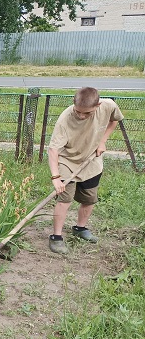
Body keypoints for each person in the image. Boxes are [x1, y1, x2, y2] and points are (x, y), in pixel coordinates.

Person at [47, 86, 123, 255]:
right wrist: (56, 177)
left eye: (86, 113)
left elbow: (114, 120)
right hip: (67, 161)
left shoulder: (108, 105)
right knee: (64, 200)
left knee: (89, 199)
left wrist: (103, 141)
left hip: (91, 161)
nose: (81, 116)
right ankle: (56, 237)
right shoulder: (65, 119)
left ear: (97, 106)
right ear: (74, 104)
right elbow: (53, 150)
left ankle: (80, 229)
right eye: (78, 111)